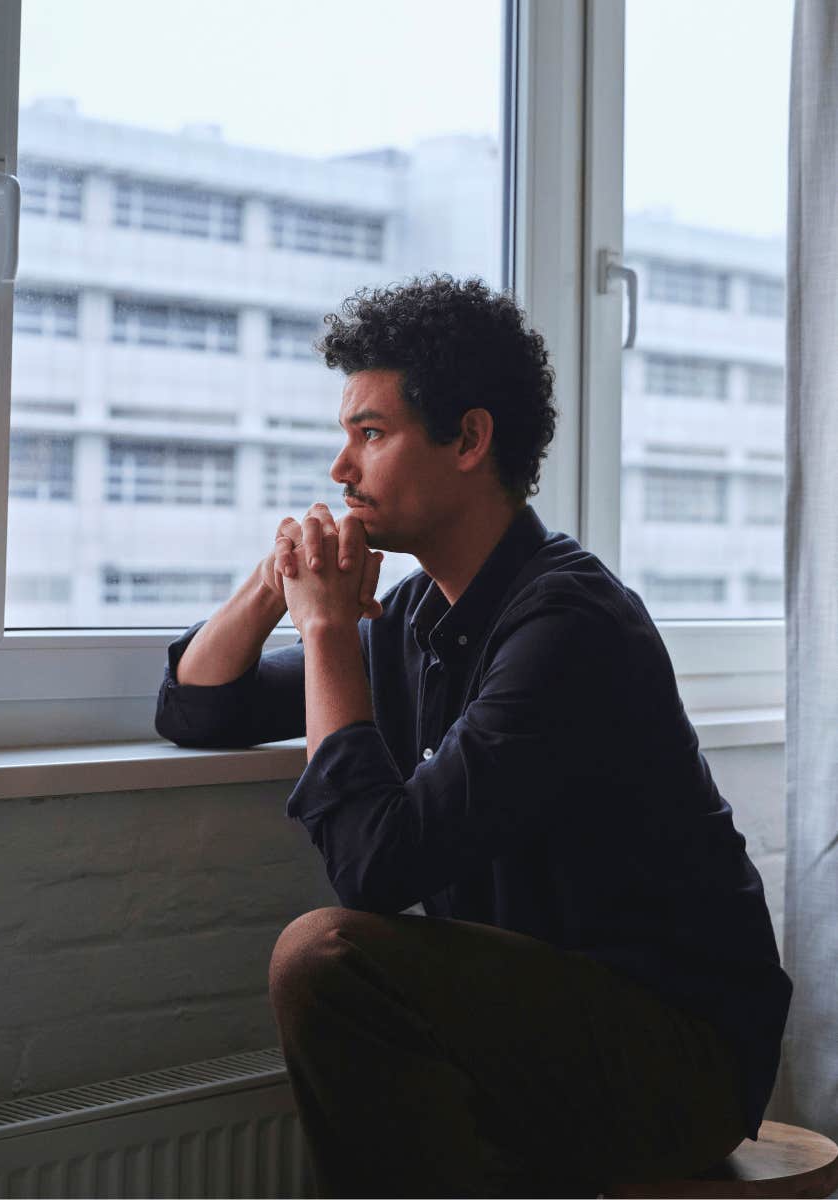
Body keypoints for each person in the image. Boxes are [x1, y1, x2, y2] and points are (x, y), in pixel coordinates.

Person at [155, 274, 792, 1199]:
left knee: (326, 959)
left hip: (682, 1058)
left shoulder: (570, 625)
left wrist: (328, 631)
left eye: (370, 434)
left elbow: (375, 868)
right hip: (545, 1032)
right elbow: (199, 707)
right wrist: (278, 582)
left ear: (469, 438)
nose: (341, 469)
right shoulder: (418, 616)